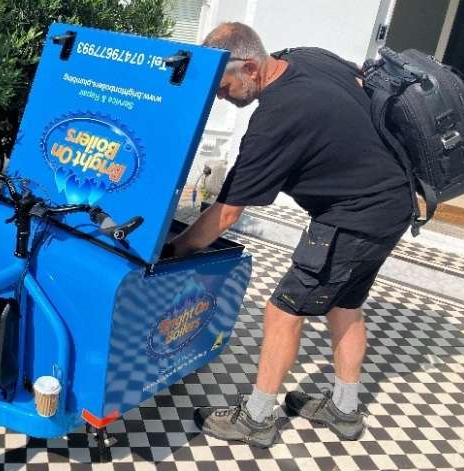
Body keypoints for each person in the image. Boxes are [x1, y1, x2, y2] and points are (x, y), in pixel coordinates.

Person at [168, 22, 412, 448]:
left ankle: (258, 418)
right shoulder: (308, 56)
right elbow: (358, 78)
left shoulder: (275, 117)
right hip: (394, 202)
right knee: (345, 305)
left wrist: (175, 248)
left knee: (283, 311)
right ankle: (345, 409)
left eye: (224, 87)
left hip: (353, 216)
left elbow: (225, 216)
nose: (220, 97)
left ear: (250, 67)